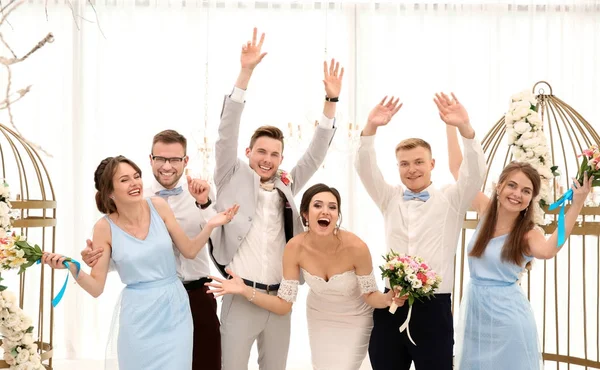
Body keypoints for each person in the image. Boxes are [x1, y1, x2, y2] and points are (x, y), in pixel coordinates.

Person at [209, 28, 341, 370]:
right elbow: (226, 130)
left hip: (280, 299)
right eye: (261, 152)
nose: (267, 159)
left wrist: (331, 103)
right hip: (240, 294)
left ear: (281, 159)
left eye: (275, 154)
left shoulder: (286, 184)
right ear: (248, 152)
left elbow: (314, 155)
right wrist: (246, 73)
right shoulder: (229, 174)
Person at [42, 156, 238, 370]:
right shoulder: (103, 228)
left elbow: (189, 251)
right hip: (138, 315)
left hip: (175, 309)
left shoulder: (158, 206)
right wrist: (73, 267)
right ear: (109, 191)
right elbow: (96, 288)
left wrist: (210, 225)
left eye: (136, 176)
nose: (135, 183)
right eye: (124, 180)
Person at [206, 183, 405, 370]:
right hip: (320, 316)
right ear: (305, 214)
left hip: (355, 317)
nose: (325, 211)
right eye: (317, 205)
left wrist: (388, 298)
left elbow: (370, 294)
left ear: (337, 216)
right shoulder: (295, 248)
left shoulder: (356, 247)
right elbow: (284, 304)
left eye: (332, 207)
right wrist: (245, 290)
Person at [445, 121, 594, 369]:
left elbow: (549, 249)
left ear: (530, 200)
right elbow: (457, 170)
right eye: (512, 185)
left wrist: (577, 203)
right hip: (476, 315)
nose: (517, 194)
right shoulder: (484, 210)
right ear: (499, 186)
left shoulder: (527, 234)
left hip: (508, 321)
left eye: (526, 191)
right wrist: (452, 125)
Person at [354, 93, 486, 369]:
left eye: (418, 162)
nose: (411, 169)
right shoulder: (388, 197)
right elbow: (365, 168)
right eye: (404, 163)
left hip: (434, 309)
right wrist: (370, 128)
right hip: (391, 303)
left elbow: (474, 173)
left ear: (432, 164)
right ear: (398, 167)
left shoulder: (452, 199)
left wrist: (466, 128)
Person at [80, 130, 222, 370]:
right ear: (151, 159)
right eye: (161, 159)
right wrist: (93, 261)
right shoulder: (132, 204)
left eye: (175, 159)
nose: (167, 165)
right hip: (142, 307)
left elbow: (217, 243)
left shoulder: (200, 194)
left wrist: (206, 209)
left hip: (193, 293)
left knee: (206, 362)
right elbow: (125, 258)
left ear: (185, 161)